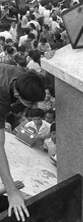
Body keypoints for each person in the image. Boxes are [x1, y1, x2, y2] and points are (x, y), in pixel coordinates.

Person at [0, 64, 45, 220]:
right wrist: (12, 192)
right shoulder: (2, 99)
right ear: (17, 93)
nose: (36, 107)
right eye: (31, 104)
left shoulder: (23, 75)